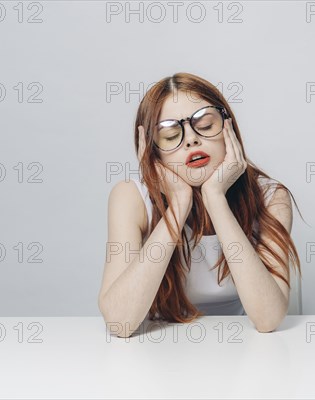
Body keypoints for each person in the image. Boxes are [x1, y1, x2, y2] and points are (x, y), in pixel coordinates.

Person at [98, 72, 303, 337]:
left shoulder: (272, 197)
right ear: (152, 149)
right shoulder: (130, 197)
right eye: (171, 135)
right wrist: (179, 204)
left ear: (229, 129)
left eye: (205, 125)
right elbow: (119, 323)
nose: (191, 139)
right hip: (160, 346)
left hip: (244, 343)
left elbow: (268, 319)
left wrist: (216, 198)